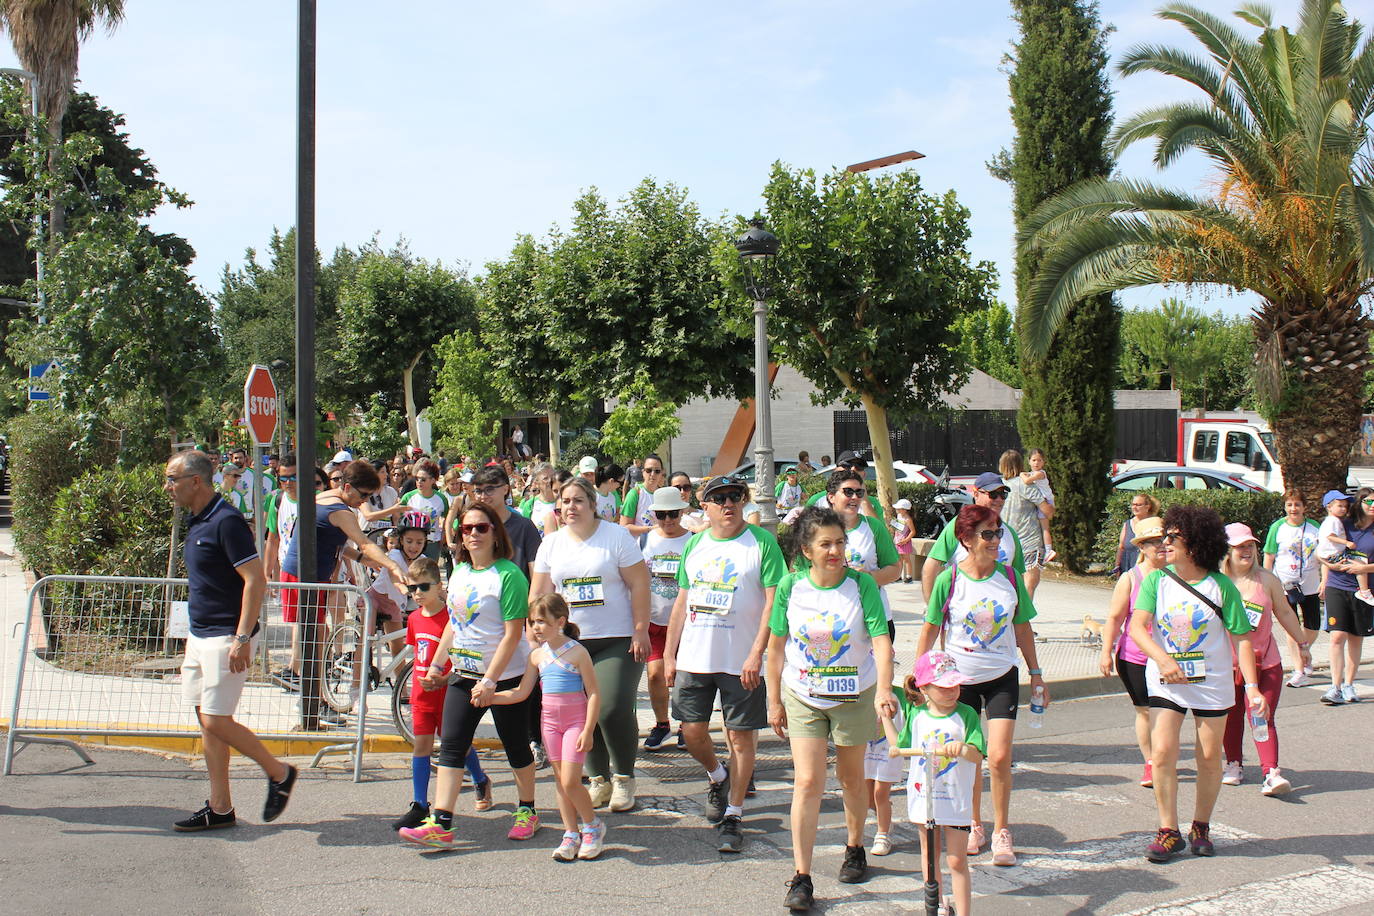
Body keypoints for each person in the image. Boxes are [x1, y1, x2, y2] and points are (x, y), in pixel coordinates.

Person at [768, 506, 896, 912]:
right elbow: (775, 647)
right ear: (807, 549)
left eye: (840, 542)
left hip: (855, 694)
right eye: (825, 544)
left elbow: (881, 642)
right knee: (807, 782)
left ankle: (854, 845)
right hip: (803, 694)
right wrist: (773, 698)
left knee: (851, 778)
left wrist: (884, 690)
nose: (835, 551)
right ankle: (802, 876)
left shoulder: (862, 586)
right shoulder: (791, 587)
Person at [164, 450, 297, 831]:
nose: (168, 487)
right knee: (207, 723)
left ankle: (279, 773)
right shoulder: (196, 520)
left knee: (217, 720)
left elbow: (256, 579)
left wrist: (242, 637)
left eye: (173, 479)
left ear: (195, 481)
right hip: (199, 635)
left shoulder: (226, 521)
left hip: (226, 636)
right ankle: (220, 807)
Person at [1128, 505, 1266, 863]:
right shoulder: (1157, 581)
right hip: (1166, 681)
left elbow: (1242, 640)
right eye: (1164, 536)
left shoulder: (1221, 587)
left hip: (1211, 682)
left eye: (1173, 537)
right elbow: (1137, 628)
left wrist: (1252, 689)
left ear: (1196, 544)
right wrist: (1163, 659)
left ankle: (1200, 826)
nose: (1165, 542)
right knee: (1161, 753)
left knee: (1208, 757)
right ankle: (1167, 830)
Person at [399, 503, 539, 849]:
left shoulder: (509, 575)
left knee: (516, 747)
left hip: (504, 676)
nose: (473, 534)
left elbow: (512, 634)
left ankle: (527, 809)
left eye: (481, 528)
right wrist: (436, 664)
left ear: (495, 533)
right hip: (464, 673)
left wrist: (490, 682)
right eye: (466, 529)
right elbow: (453, 625)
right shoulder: (460, 571)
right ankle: (441, 822)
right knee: (451, 746)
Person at [916, 503, 1045, 867]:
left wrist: (1036, 673)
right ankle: (974, 824)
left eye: (998, 532)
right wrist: (919, 675)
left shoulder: (1010, 576)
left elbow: (1022, 627)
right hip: (960, 682)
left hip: (1002, 675)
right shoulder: (950, 579)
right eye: (987, 534)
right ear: (966, 539)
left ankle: (1002, 830)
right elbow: (930, 628)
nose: (995, 540)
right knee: (971, 757)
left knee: (1000, 756)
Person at [665, 474, 786, 853]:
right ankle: (718, 776)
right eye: (719, 499)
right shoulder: (695, 545)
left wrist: (757, 652)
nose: (728, 504)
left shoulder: (761, 542)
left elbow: (773, 601)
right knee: (691, 732)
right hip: (696, 656)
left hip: (740, 660)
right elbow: (682, 601)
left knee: (740, 737)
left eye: (735, 497)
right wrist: (669, 653)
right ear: (705, 506)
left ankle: (733, 814)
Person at [530, 477, 652, 812]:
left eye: (578, 500)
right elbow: (539, 592)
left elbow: (640, 583)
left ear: (593, 504)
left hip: (616, 639)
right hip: (569, 643)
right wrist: (535, 633)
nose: (571, 507)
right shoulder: (551, 544)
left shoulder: (615, 537)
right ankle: (598, 778)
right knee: (582, 713)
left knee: (610, 707)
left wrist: (641, 629)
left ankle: (624, 777)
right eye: (565, 501)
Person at [282, 460, 411, 725]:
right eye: (363, 495)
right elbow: (364, 542)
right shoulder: (342, 511)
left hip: (306, 576)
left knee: (319, 638)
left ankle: (315, 700)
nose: (364, 501)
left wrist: (363, 560)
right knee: (315, 642)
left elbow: (333, 542)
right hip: (304, 577)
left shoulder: (324, 498)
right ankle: (314, 703)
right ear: (347, 486)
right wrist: (391, 566)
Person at [492, 594, 607, 861]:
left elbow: (593, 694)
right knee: (560, 781)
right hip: (550, 724)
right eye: (532, 622)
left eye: (542, 621)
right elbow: (521, 692)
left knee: (570, 780)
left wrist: (588, 729)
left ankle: (592, 826)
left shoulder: (578, 652)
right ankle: (570, 833)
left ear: (561, 621)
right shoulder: (536, 657)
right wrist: (492, 697)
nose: (535, 627)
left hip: (575, 723)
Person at [391, 557, 495, 831]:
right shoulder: (413, 618)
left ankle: (480, 779)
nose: (418, 593)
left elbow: (457, 655)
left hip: (448, 692)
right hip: (421, 695)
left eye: (424, 587)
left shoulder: (451, 617)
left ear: (439, 586)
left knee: (457, 745)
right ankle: (419, 804)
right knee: (422, 746)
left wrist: (444, 679)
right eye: (413, 588)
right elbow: (418, 654)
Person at [883, 650, 986, 916]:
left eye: (955, 685)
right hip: (924, 797)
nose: (952, 691)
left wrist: (962, 749)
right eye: (944, 687)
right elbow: (899, 746)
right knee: (929, 858)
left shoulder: (967, 715)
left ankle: (963, 912)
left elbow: (976, 755)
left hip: (955, 797)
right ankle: (937, 905)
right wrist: (885, 719)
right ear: (925, 687)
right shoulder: (917, 715)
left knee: (956, 859)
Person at [1219, 524, 1311, 797]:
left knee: (1262, 714)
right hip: (1227, 664)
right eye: (1239, 546)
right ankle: (1233, 764)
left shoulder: (1267, 580)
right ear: (1227, 550)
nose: (1246, 551)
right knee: (1231, 717)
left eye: (1250, 545)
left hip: (1265, 662)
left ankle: (1270, 772)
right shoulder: (1216, 580)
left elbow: (1284, 612)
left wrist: (1302, 644)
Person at [1099, 516, 1168, 789]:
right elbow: (1115, 619)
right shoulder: (1131, 578)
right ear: (1141, 547)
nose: (1160, 546)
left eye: (1163, 541)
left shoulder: (1179, 576)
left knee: (1167, 712)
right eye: (1152, 542)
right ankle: (1151, 762)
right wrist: (1106, 652)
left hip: (1170, 658)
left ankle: (1164, 757)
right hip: (1135, 657)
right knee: (1146, 712)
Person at [640, 486, 693, 753]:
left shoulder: (693, 540)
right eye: (662, 515)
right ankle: (662, 724)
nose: (668, 520)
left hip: (684, 622)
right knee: (655, 675)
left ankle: (686, 724)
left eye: (673, 514)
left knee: (684, 677)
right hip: (653, 620)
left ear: (682, 512)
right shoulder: (645, 541)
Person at [921, 471, 1026, 605]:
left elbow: (1018, 576)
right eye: (993, 494)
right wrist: (930, 608)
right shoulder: (958, 527)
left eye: (1003, 495)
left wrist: (1019, 611)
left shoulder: (1010, 533)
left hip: (1000, 617)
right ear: (976, 494)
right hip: (963, 615)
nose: (999, 499)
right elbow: (931, 565)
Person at [825, 470, 901, 636]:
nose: (854, 497)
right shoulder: (817, 529)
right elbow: (801, 573)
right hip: (831, 619)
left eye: (859, 492)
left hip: (873, 619)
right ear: (831, 497)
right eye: (848, 492)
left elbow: (895, 569)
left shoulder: (873, 526)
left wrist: (868, 577)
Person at [1318, 486, 1374, 705]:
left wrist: (1364, 570)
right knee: (1337, 636)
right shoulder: (1342, 524)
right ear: (1359, 503)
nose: (1372, 506)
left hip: (1363, 591)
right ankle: (1335, 687)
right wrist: (1326, 572)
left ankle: (1349, 685)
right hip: (1337, 585)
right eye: (1368, 501)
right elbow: (1321, 551)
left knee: (1355, 637)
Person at [1263, 490, 1322, 687]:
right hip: (1285, 586)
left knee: (1312, 627)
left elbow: (1326, 554)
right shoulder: (1277, 527)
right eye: (1289, 505)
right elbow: (1269, 555)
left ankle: (1305, 652)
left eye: (1297, 504)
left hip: (1310, 585)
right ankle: (1299, 670)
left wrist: (1325, 580)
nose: (1293, 508)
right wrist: (1266, 581)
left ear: (1304, 507)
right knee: (1291, 628)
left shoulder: (1314, 527)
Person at [999, 449, 1053, 596]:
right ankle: (1024, 615)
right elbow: (1047, 511)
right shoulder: (1026, 485)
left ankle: (1012, 613)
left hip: (1005, 541)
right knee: (1030, 582)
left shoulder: (999, 486)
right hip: (1029, 540)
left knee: (1009, 581)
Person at [398, 461, 449, 560]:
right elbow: (398, 518)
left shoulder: (441, 499)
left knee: (429, 574)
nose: (419, 482)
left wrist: (443, 537)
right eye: (417, 479)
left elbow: (447, 519)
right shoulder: (408, 497)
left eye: (423, 479)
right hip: (412, 544)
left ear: (433, 480)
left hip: (432, 543)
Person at [806, 451, 879, 516]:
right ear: (835, 471)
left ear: (864, 474)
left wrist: (864, 501)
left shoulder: (873, 503)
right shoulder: (817, 500)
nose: (853, 469)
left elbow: (878, 530)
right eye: (847, 465)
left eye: (859, 466)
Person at [619, 453, 666, 537]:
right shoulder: (635, 493)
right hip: (639, 546)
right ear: (643, 472)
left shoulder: (663, 494)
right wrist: (650, 529)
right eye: (649, 470)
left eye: (657, 471)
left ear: (662, 473)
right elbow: (624, 526)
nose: (652, 474)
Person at [1022, 447, 1056, 562]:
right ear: (1029, 461)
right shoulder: (1033, 473)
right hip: (1042, 501)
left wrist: (1021, 474)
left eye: (1039, 460)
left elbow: (1026, 480)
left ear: (1044, 462)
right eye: (1034, 460)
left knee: (1045, 528)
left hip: (1046, 502)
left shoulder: (1040, 474)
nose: (1036, 463)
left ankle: (1048, 550)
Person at [1116, 493, 1161, 574]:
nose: (1134, 507)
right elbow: (1121, 546)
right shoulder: (1127, 524)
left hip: (1148, 570)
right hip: (1127, 567)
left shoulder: (1154, 523)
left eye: (1138, 505)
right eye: (1133, 504)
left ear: (1147, 506)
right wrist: (1117, 566)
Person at [519, 463, 559, 535]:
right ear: (537, 483)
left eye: (553, 477)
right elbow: (525, 533)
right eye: (545, 478)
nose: (550, 480)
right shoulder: (530, 505)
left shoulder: (564, 502)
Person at [892, 498, 916, 584]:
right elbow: (897, 528)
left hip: (904, 542)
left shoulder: (908, 519)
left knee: (906, 559)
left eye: (899, 508)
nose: (897, 510)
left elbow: (913, 531)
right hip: (898, 541)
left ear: (905, 510)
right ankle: (898, 576)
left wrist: (906, 540)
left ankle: (909, 576)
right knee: (899, 559)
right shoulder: (899, 516)